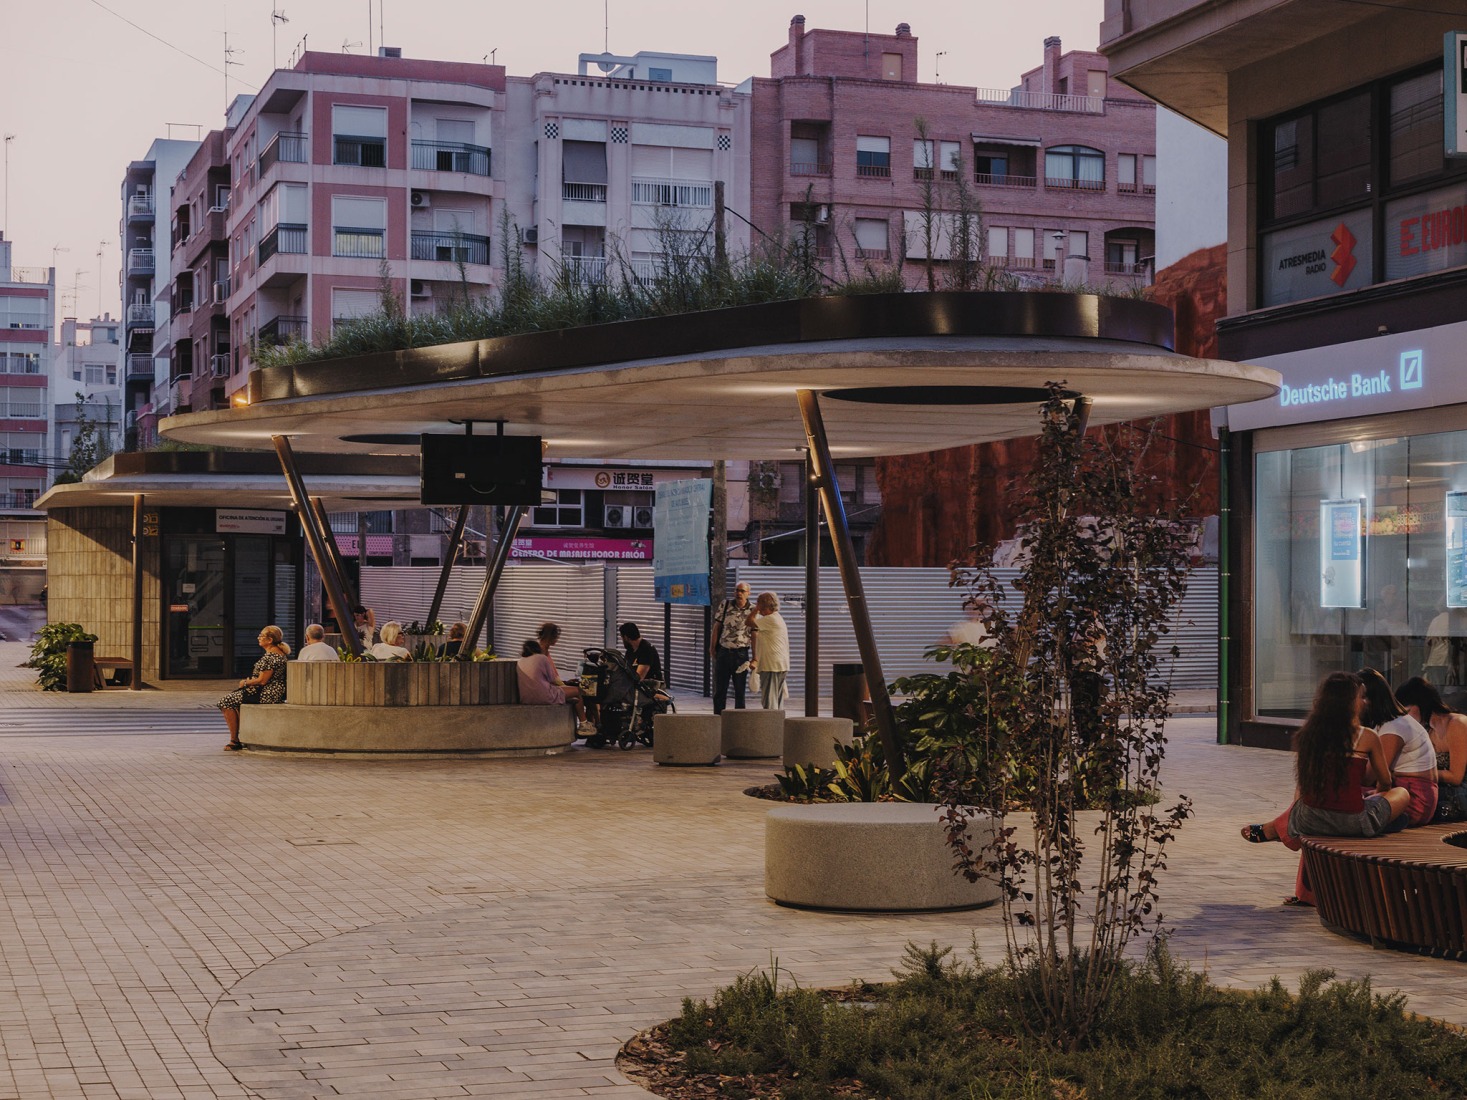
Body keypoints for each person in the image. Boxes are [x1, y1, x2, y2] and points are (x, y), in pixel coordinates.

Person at [1241, 671, 1411, 906]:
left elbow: (1303, 784)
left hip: (1309, 818)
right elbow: (1385, 781)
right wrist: (1376, 793)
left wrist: (1300, 814)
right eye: (1361, 697)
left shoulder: (1308, 735)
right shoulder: (1367, 736)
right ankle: (1279, 830)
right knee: (1401, 794)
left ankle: (1279, 831)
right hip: (1352, 822)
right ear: (1349, 702)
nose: (1365, 702)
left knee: (1311, 809)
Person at [1359, 667, 1437, 827]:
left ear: (1370, 699)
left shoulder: (1394, 727)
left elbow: (1369, 776)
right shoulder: (1386, 724)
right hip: (1403, 791)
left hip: (1414, 799)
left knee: (1339, 799)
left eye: (1357, 697)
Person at [1395, 676, 1467, 823]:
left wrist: (1413, 773)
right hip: (1440, 788)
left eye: (1407, 711)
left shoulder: (1457, 724)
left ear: (1422, 704)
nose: (1405, 717)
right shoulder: (1425, 729)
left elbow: (1456, 777)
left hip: (1460, 792)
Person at [217, 625, 291, 751]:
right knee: (234, 700)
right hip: (274, 691)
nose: (258, 638)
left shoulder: (271, 657)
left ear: (270, 640)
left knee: (225, 702)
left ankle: (234, 740)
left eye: (261, 636)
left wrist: (246, 682)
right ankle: (240, 736)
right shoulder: (279, 654)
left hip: (267, 693)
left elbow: (262, 680)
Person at [517, 639, 593, 732]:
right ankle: (584, 724)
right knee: (577, 691)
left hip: (526, 699)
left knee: (566, 694)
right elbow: (552, 679)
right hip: (544, 696)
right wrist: (565, 684)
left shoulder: (520, 661)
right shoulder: (542, 658)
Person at [709, 582, 754, 714]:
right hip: (724, 652)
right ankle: (718, 717)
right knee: (720, 690)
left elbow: (755, 634)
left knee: (739, 690)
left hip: (741, 654)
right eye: (737, 590)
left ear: (748, 593)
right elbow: (717, 627)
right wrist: (712, 647)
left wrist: (755, 657)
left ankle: (739, 720)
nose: (739, 593)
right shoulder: (726, 605)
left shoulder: (752, 609)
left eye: (742, 591)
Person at [533, 622, 589, 715]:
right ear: (551, 636)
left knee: (582, 690)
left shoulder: (544, 650)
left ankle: (590, 720)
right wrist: (561, 684)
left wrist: (564, 682)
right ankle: (584, 721)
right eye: (556, 636)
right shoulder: (541, 652)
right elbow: (547, 676)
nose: (557, 639)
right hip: (547, 688)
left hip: (550, 685)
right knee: (579, 692)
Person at [749, 591, 790, 710]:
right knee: (777, 699)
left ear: (764, 605)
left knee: (769, 701)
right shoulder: (777, 617)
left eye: (759, 603)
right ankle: (778, 721)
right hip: (779, 664)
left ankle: (770, 721)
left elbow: (748, 621)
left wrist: (755, 610)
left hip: (771, 665)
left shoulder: (770, 619)